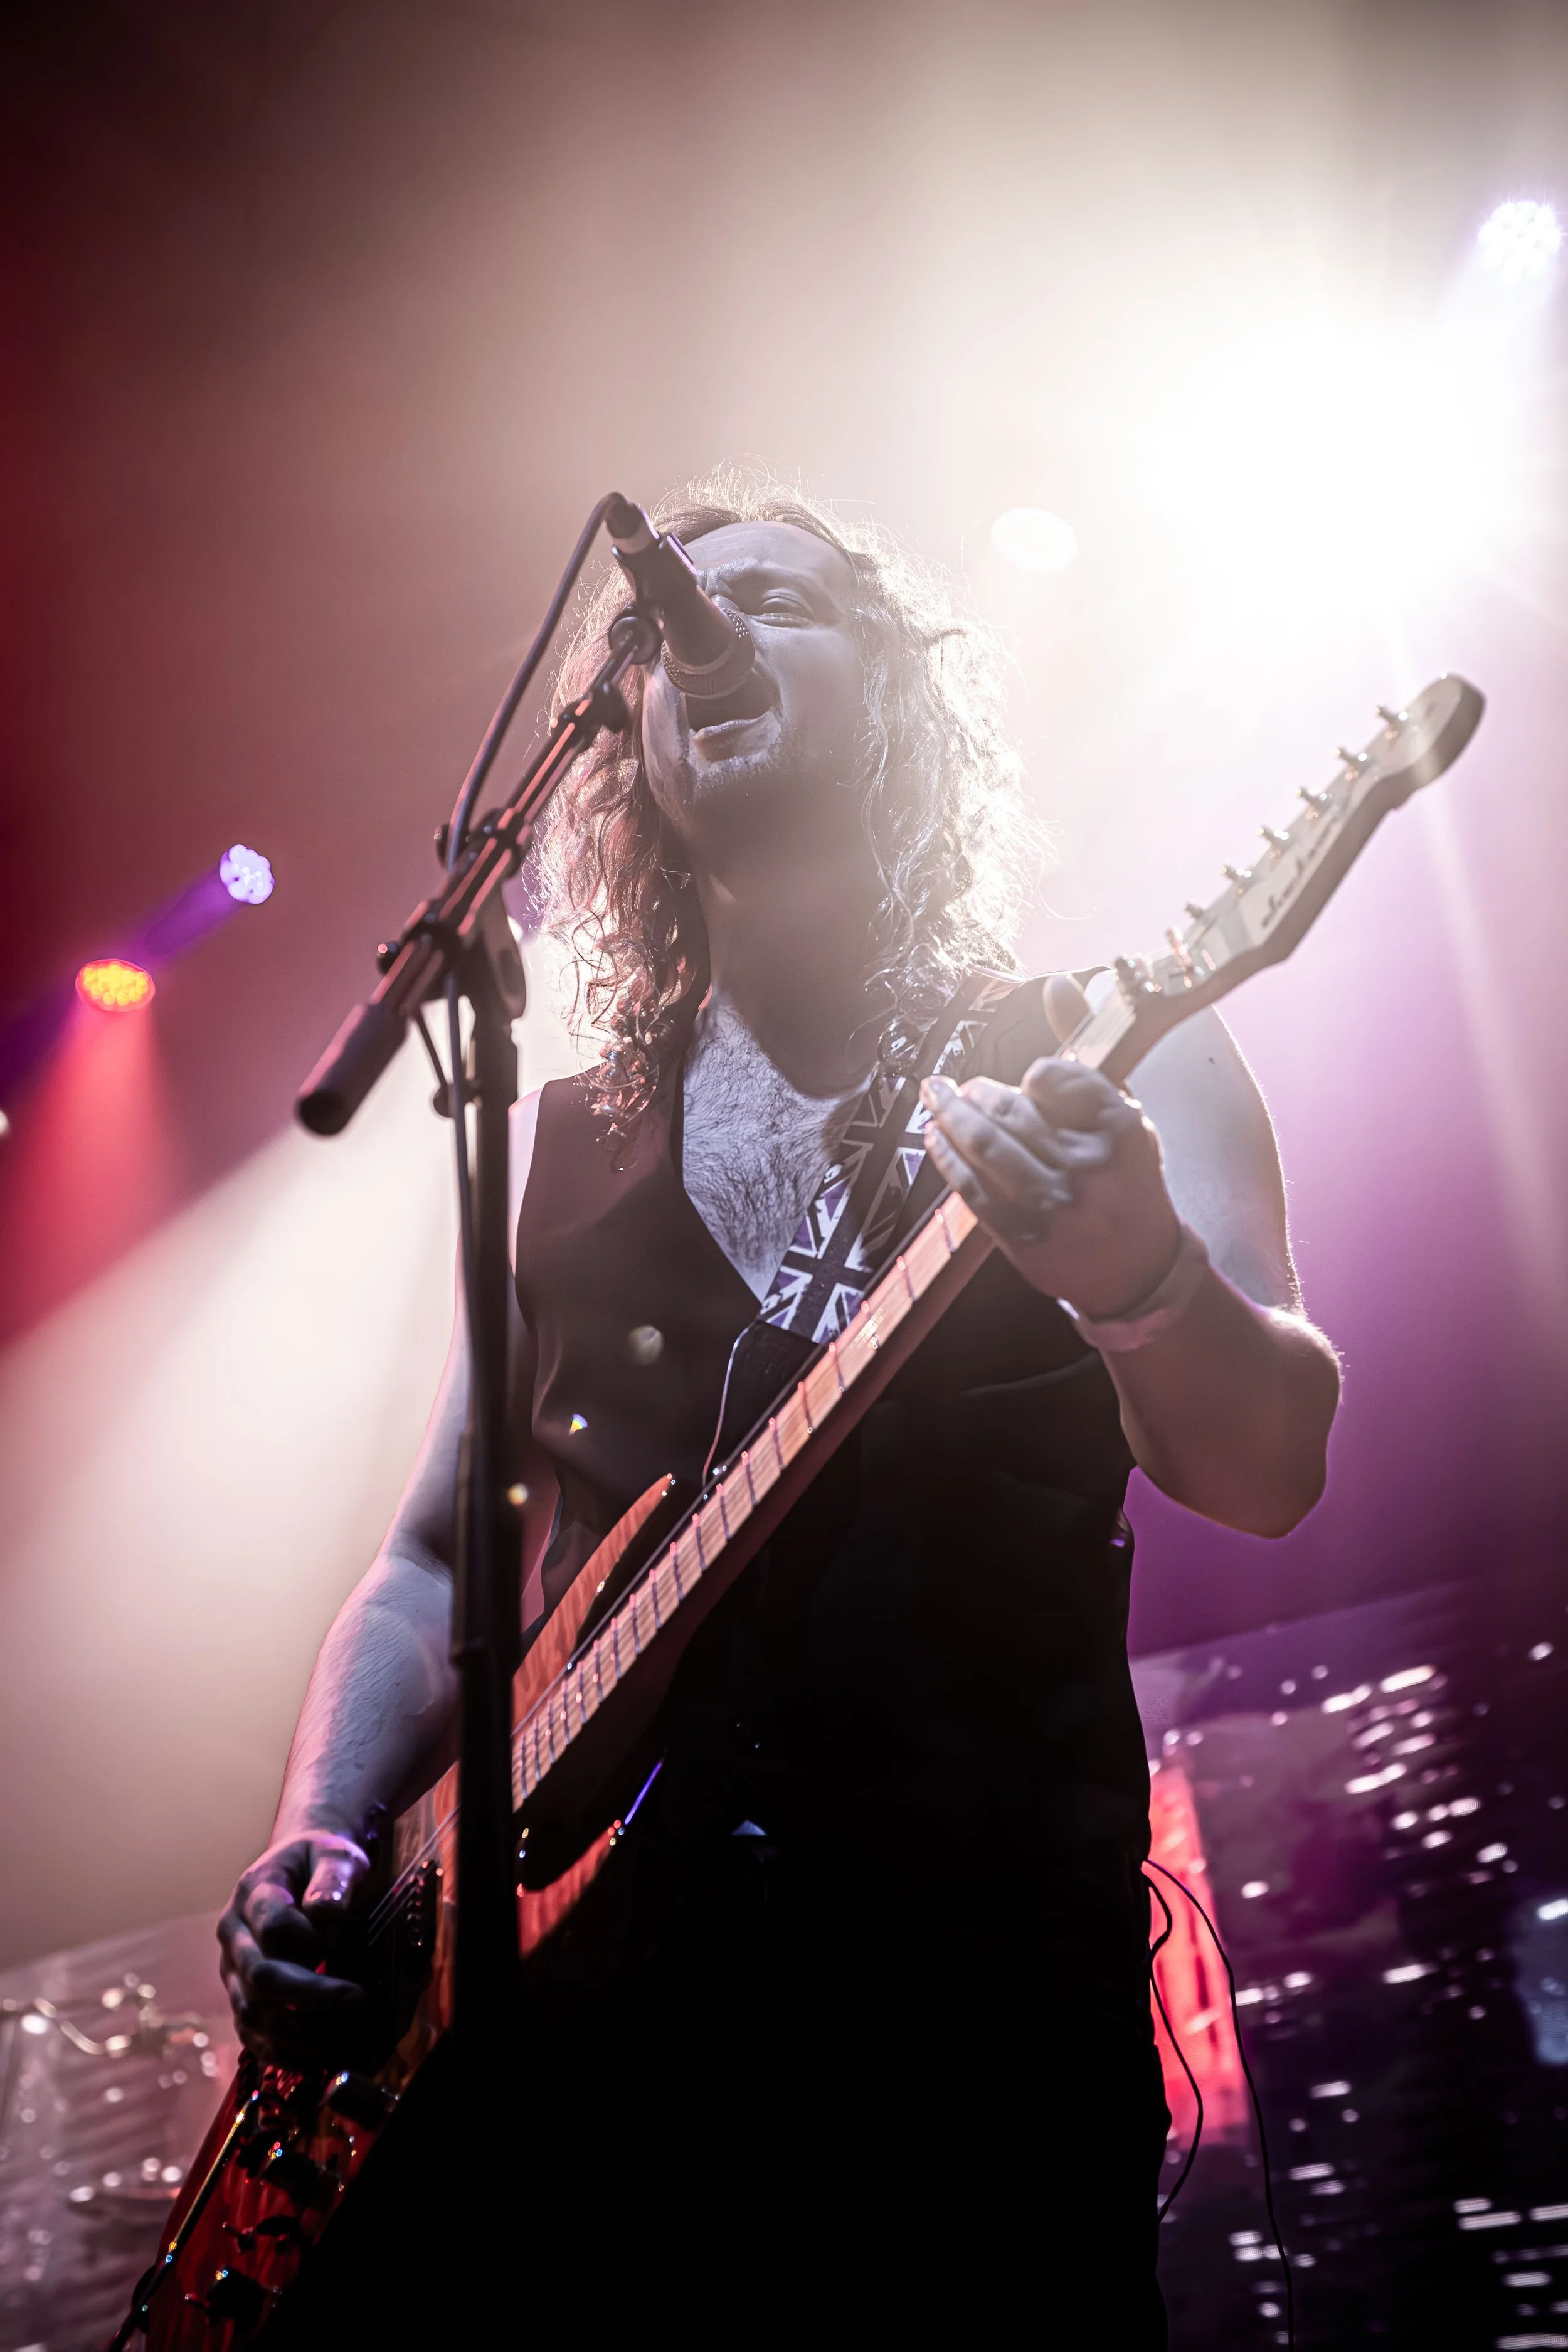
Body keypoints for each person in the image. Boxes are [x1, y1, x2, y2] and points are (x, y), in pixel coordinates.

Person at [218, 476, 1340, 2341]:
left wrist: (1139, 1271)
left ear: (897, 695)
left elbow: (1274, 1462)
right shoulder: (563, 1141)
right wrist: (326, 1825)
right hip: (582, 2079)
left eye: (782, 607)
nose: (706, 638)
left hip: (969, 2043)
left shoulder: (1101, 1043)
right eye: (663, 632)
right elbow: (432, 1558)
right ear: (622, 747)